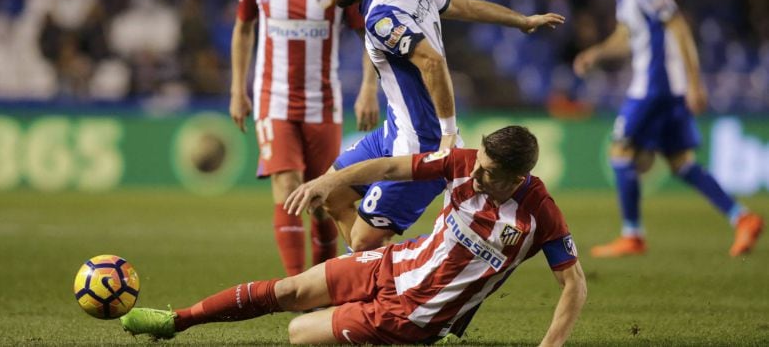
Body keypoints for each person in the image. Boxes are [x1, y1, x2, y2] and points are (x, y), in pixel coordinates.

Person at [120, 125, 587, 346]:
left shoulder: (540, 215)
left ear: (516, 176)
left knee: (299, 334)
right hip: (395, 262)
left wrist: (550, 346)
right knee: (291, 289)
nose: (475, 170)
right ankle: (176, 321)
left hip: (413, 315)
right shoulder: (464, 163)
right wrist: (329, 181)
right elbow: (388, 166)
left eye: (487, 170)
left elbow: (573, 284)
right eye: (478, 161)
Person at [306, 0, 566, 251]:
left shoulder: (382, 17)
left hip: (422, 144)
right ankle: (376, 275)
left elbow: (431, 60)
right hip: (394, 131)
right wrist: (520, 20)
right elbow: (465, 6)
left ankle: (427, 262)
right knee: (332, 193)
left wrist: (447, 132)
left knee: (362, 242)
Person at [573, 0, 764, 258]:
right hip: (661, 84)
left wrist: (695, 83)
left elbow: (677, 25)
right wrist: (597, 53)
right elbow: (626, 36)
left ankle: (632, 234)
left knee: (620, 152)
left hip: (656, 84)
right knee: (680, 162)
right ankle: (743, 218)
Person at [228, 0, 380, 276]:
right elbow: (243, 28)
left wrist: (368, 89)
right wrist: (237, 89)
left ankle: (321, 284)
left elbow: (369, 34)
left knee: (323, 201)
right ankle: (295, 287)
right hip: (273, 101)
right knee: (287, 187)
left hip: (323, 104)